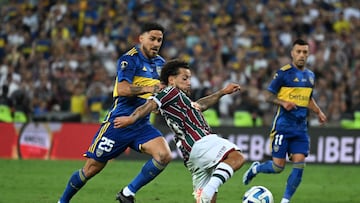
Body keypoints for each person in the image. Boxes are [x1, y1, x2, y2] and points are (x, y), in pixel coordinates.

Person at [58, 22, 172, 203]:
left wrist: (158, 104)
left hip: (141, 125)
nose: (156, 43)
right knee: (90, 170)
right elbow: (124, 89)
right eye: (152, 39)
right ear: (141, 38)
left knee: (164, 155)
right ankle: (62, 201)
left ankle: (127, 193)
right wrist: (151, 87)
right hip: (118, 124)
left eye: (159, 40)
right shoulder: (130, 59)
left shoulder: (161, 64)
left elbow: (160, 93)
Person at [113, 59, 246, 203]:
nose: (189, 82)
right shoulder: (170, 92)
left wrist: (222, 92)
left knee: (207, 200)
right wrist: (131, 119)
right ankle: (208, 191)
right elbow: (150, 105)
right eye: (184, 78)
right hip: (200, 141)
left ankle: (206, 193)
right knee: (236, 157)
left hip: (192, 156)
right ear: (171, 80)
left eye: (189, 78)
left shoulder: (180, 99)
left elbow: (200, 105)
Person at [242, 39, 327, 203]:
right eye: (298, 52)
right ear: (292, 53)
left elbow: (308, 98)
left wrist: (319, 112)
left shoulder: (310, 76)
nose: (302, 55)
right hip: (283, 126)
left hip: (301, 129)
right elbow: (267, 96)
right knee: (277, 167)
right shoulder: (283, 73)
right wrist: (283, 102)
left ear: (308, 54)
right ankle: (256, 168)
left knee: (299, 165)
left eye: (305, 52)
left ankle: (285, 201)